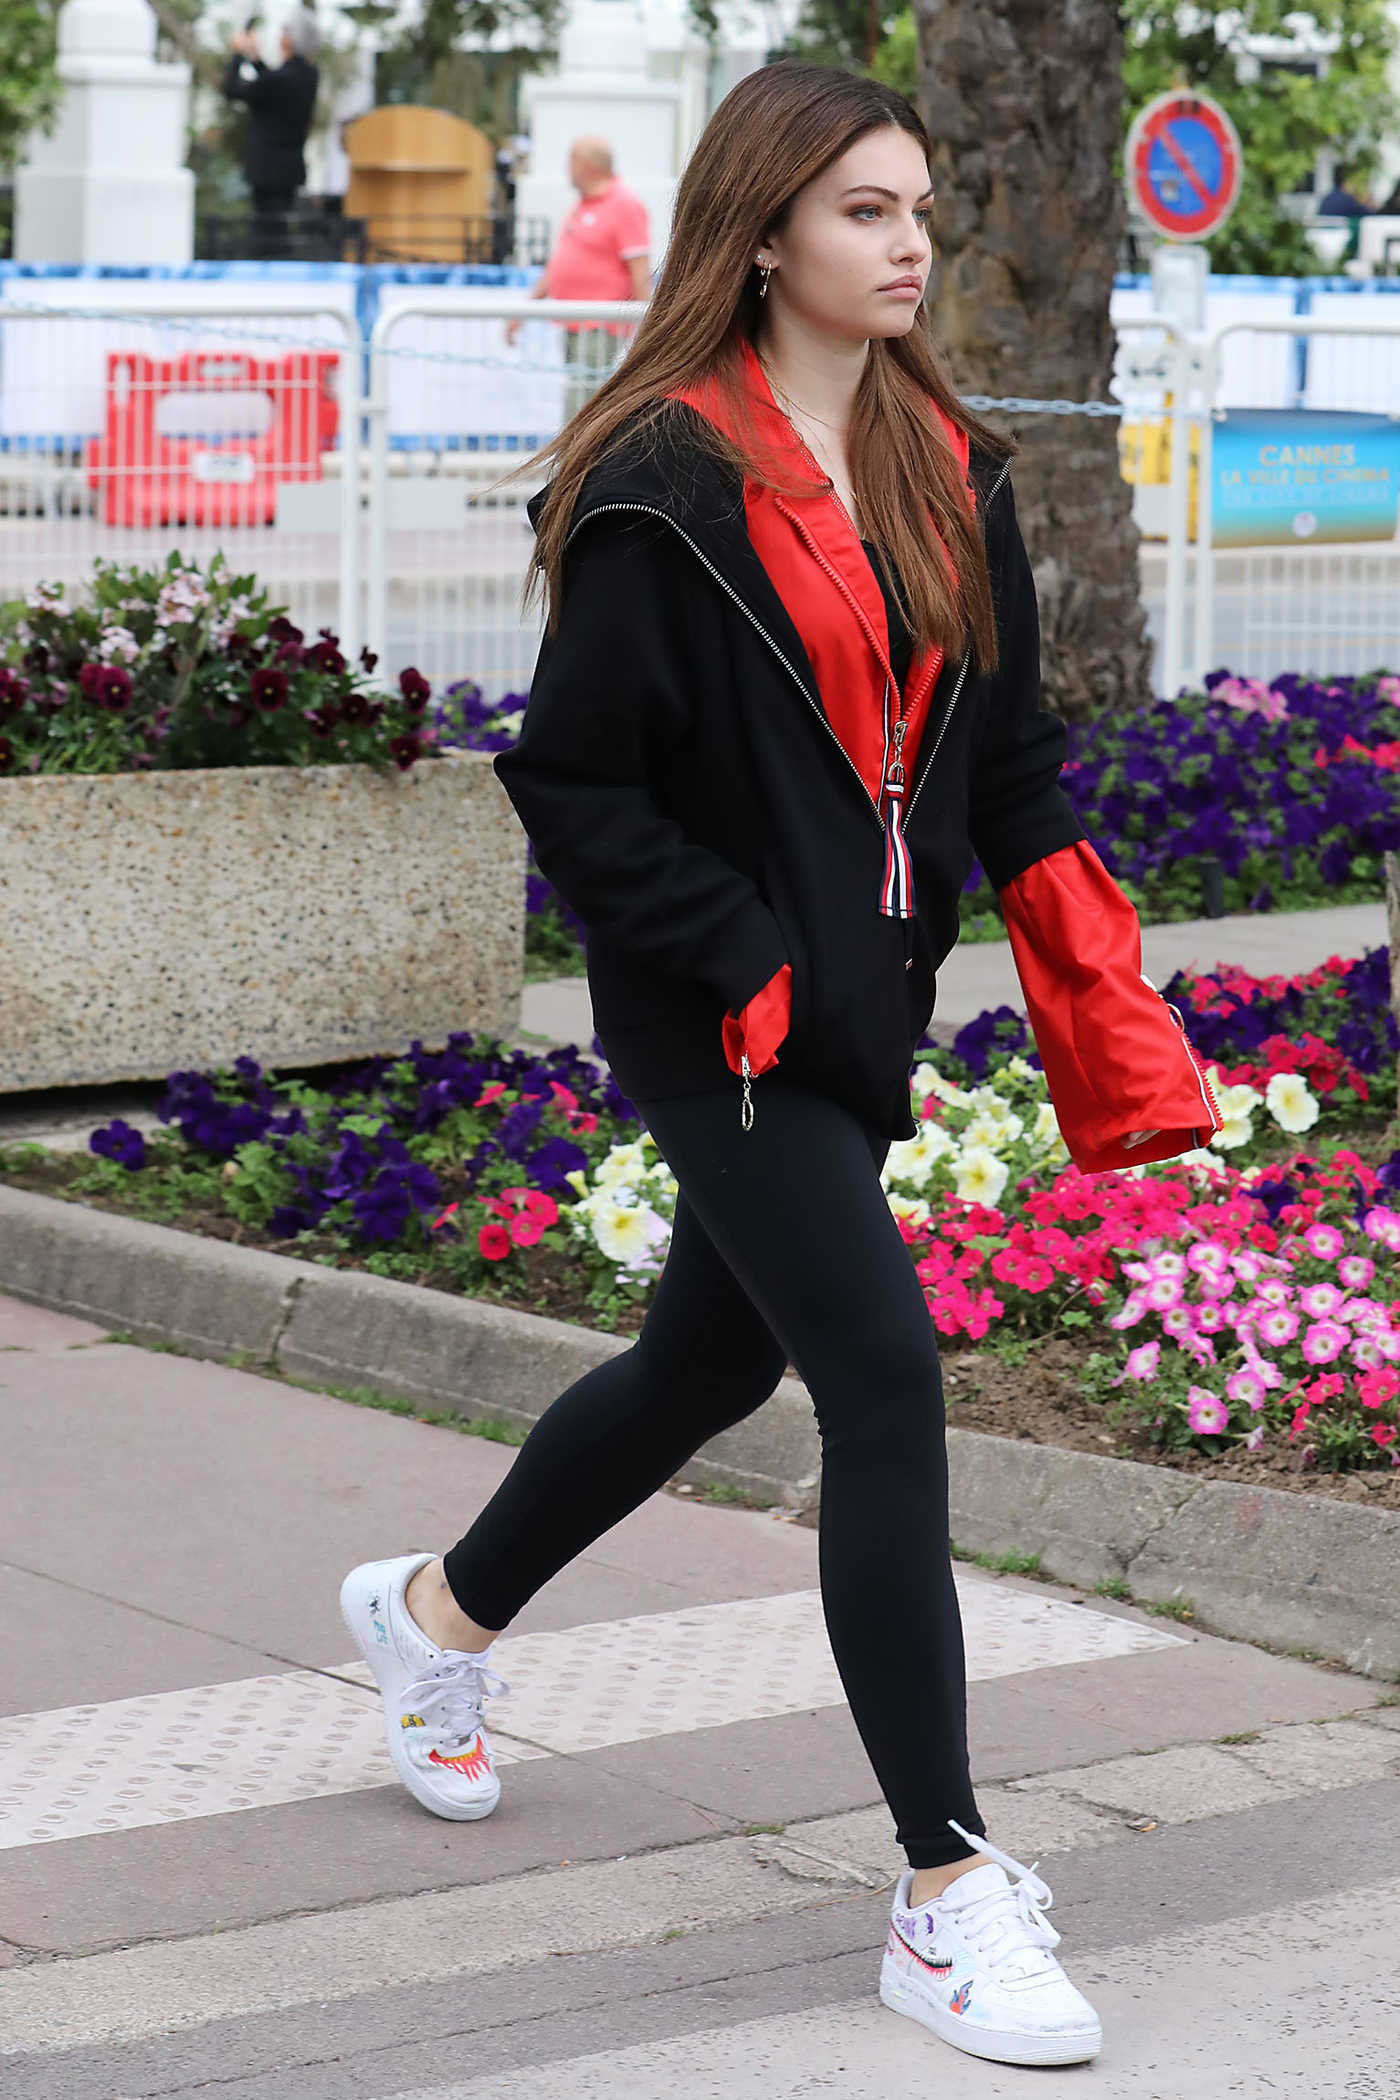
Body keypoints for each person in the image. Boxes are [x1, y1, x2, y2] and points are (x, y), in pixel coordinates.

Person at [341, 60, 1222, 2071]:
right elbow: (572, 780)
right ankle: (940, 1887)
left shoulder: (949, 471)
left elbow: (1006, 767)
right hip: (724, 1012)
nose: (909, 243)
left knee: (708, 1361)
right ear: (761, 235)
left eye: (916, 206)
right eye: (864, 212)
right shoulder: (668, 478)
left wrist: (1106, 1005)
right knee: (886, 1374)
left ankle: (434, 1619)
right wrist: (734, 951)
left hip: (861, 1003)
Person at [504, 136, 651, 420]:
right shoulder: (583, 206)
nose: (567, 170)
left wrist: (647, 323)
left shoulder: (624, 204)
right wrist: (524, 309)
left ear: (585, 165)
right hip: (576, 322)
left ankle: (578, 462)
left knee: (582, 400)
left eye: (570, 162)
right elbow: (558, 266)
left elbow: (640, 267)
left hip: (601, 324)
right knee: (579, 396)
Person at [221, 10, 320, 255]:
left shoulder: (280, 80)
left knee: (268, 237)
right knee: (279, 230)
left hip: (267, 170)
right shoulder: (309, 75)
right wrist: (253, 58)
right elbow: (271, 84)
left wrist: (237, 54)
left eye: (285, 31)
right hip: (289, 167)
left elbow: (233, 89)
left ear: (290, 40)